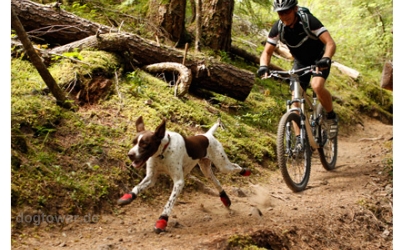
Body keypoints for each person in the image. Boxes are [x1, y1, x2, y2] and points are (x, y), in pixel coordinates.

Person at [257, 0, 338, 142]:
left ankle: (331, 116)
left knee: (317, 86)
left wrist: (326, 58)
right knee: (295, 99)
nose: (284, 16)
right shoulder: (278, 27)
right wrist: (263, 66)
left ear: (294, 9)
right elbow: (267, 52)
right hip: (301, 62)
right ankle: (300, 139)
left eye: (287, 11)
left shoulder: (309, 21)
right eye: (280, 13)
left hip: (319, 59)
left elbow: (330, 43)